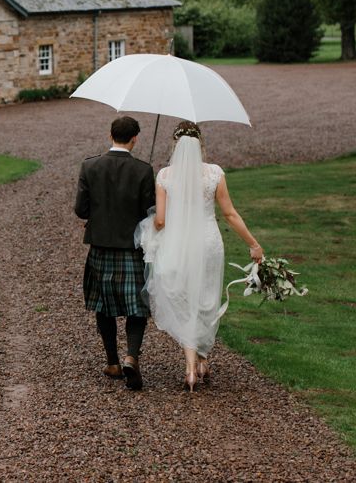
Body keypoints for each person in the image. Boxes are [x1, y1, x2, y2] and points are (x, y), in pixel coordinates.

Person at [138, 120, 263, 392]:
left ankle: (190, 369)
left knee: (184, 299)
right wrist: (253, 244)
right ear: (201, 145)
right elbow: (230, 214)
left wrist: (152, 228)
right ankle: (204, 360)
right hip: (208, 243)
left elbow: (160, 220)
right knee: (206, 297)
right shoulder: (214, 173)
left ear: (175, 145)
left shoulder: (165, 176)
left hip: (178, 243)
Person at [74, 115, 156, 390]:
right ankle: (131, 356)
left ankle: (112, 362)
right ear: (135, 139)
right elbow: (149, 213)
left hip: (100, 247)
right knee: (137, 306)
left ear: (111, 135)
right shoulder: (144, 170)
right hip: (131, 248)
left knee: (103, 305)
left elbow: (81, 210)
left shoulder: (90, 166)